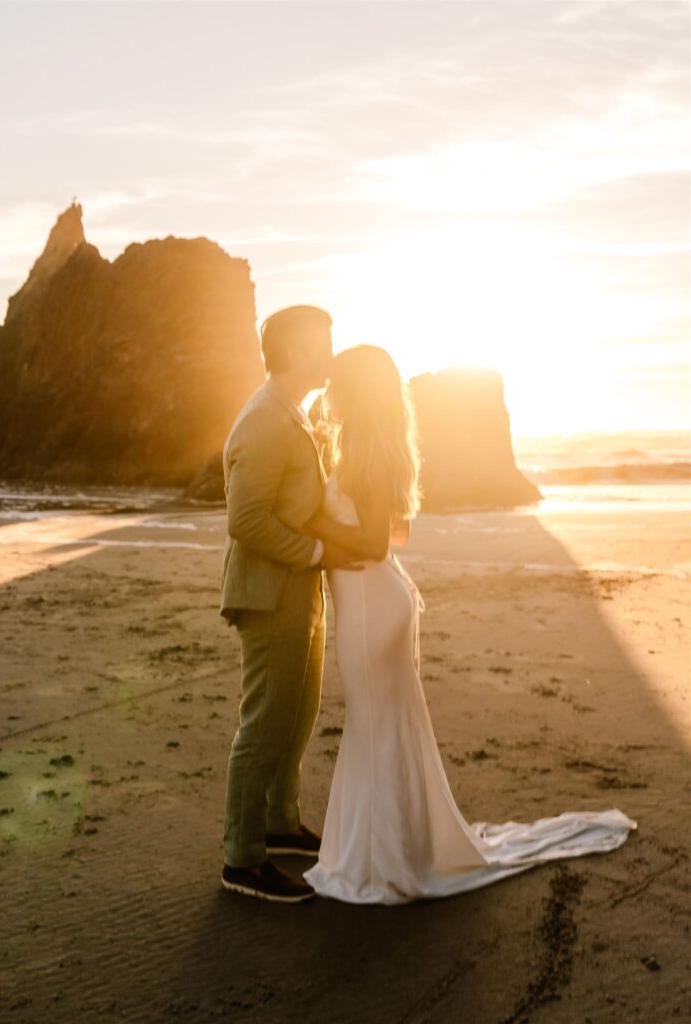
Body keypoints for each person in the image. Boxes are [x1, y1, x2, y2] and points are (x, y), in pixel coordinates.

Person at [300, 345, 636, 904]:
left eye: (336, 382)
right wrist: (342, 537)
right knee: (381, 728)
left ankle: (384, 864)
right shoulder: (372, 448)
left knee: (374, 729)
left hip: (370, 609)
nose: (328, 391)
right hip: (379, 599)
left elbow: (375, 542)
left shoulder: (362, 451)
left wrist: (313, 523)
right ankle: (395, 851)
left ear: (354, 391)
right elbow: (397, 536)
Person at [219, 305, 363, 903]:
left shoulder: (291, 413)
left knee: (299, 713)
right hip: (270, 591)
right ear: (297, 351)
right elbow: (245, 518)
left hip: (299, 590)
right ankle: (242, 859)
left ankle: (280, 822)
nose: (330, 354)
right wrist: (314, 551)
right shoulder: (263, 419)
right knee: (265, 722)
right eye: (323, 344)